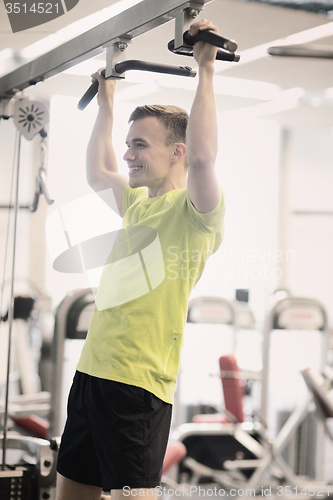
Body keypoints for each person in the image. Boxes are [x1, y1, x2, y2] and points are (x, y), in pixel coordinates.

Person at [55, 18, 226, 500]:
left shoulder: (196, 213)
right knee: (70, 494)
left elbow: (203, 159)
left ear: (176, 151)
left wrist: (206, 70)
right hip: (92, 374)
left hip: (138, 386)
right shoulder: (137, 204)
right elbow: (97, 172)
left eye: (139, 145)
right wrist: (106, 102)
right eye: (129, 144)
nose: (128, 155)